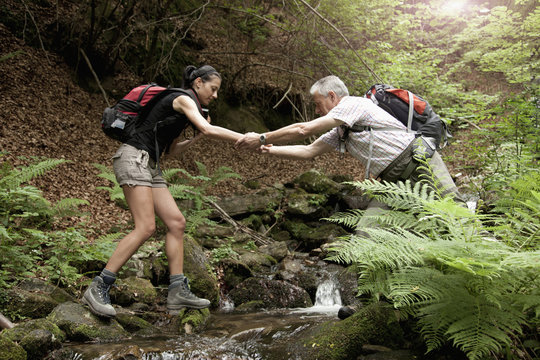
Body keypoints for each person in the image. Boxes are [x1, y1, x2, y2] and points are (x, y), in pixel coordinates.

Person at [83, 65, 245, 318]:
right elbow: (208, 129)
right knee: (145, 227)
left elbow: (172, 151)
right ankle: (99, 286)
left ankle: (177, 290)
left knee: (176, 222)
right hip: (134, 158)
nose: (215, 96)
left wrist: (197, 138)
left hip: (150, 164)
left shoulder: (182, 109)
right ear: (199, 83)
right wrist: (248, 137)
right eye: (213, 89)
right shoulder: (182, 98)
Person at [235, 75, 463, 228]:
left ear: (332, 96)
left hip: (420, 162)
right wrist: (268, 150)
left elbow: (304, 130)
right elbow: (308, 151)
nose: (316, 110)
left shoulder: (354, 105)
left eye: (317, 103)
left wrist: (262, 137)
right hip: (394, 183)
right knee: (366, 234)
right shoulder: (342, 128)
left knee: (460, 217)